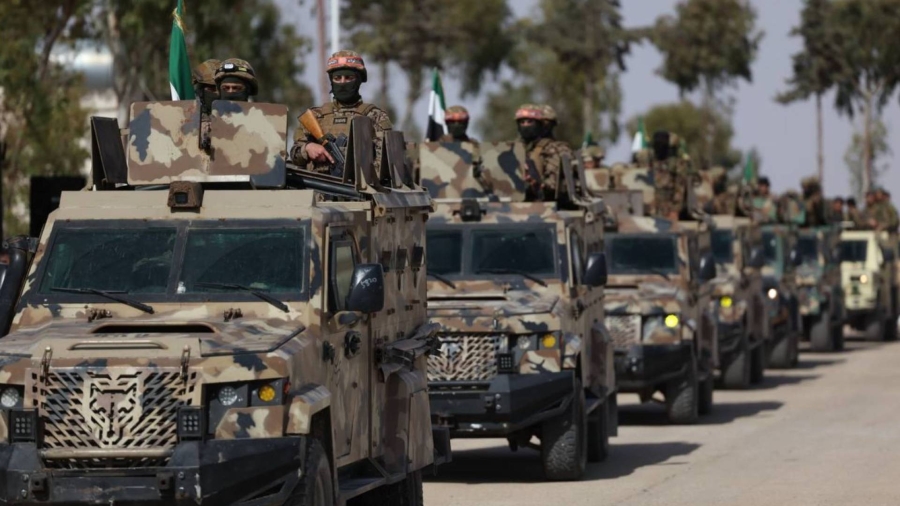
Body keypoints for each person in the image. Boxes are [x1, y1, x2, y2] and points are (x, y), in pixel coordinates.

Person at [290, 50, 392, 174]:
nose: (342, 82)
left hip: (358, 185)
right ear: (331, 80)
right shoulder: (315, 116)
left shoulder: (375, 117)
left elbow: (387, 164)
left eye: (348, 78)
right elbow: (294, 154)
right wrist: (308, 148)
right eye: (337, 78)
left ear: (359, 80)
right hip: (318, 184)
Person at [515, 103, 573, 202]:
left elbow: (554, 184)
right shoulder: (517, 148)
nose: (526, 126)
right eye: (522, 122)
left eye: (530, 122)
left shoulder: (558, 149)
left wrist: (536, 184)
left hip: (544, 204)